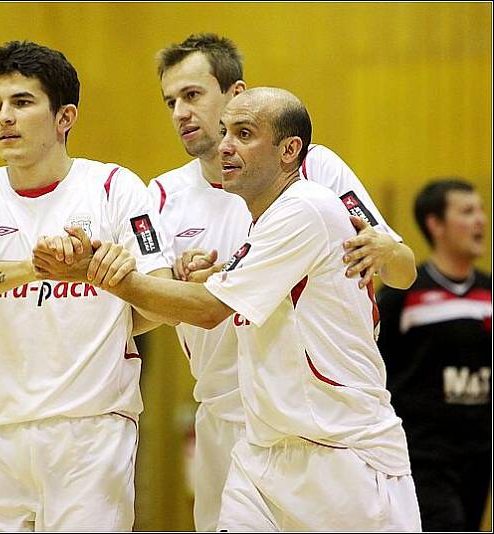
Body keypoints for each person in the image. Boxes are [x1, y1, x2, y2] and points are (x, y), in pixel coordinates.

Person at [34, 87, 422, 531]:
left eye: (243, 134)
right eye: (224, 133)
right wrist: (192, 281)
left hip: (341, 453)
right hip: (262, 451)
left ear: (289, 151)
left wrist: (100, 274)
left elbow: (208, 309)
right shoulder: (260, 219)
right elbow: (211, 299)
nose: (224, 147)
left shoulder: (307, 207)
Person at [148, 33, 417, 531]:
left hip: (324, 417)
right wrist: (186, 281)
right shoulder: (163, 194)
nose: (181, 113)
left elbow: (400, 268)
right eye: (170, 101)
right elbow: (160, 309)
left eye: (192, 95)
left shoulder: (316, 171)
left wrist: (390, 251)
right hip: (229, 412)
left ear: (236, 93)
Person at [0, 40, 171, 532]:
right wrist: (40, 268)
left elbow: (165, 297)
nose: (5, 118)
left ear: (65, 117)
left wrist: (106, 293)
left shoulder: (114, 187)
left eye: (22, 103)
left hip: (91, 428)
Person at [377, 179, 491, 531]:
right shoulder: (404, 294)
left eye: (481, 211)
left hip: (478, 452)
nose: (481, 221)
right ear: (435, 225)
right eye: (467, 212)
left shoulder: (488, 292)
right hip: (422, 454)